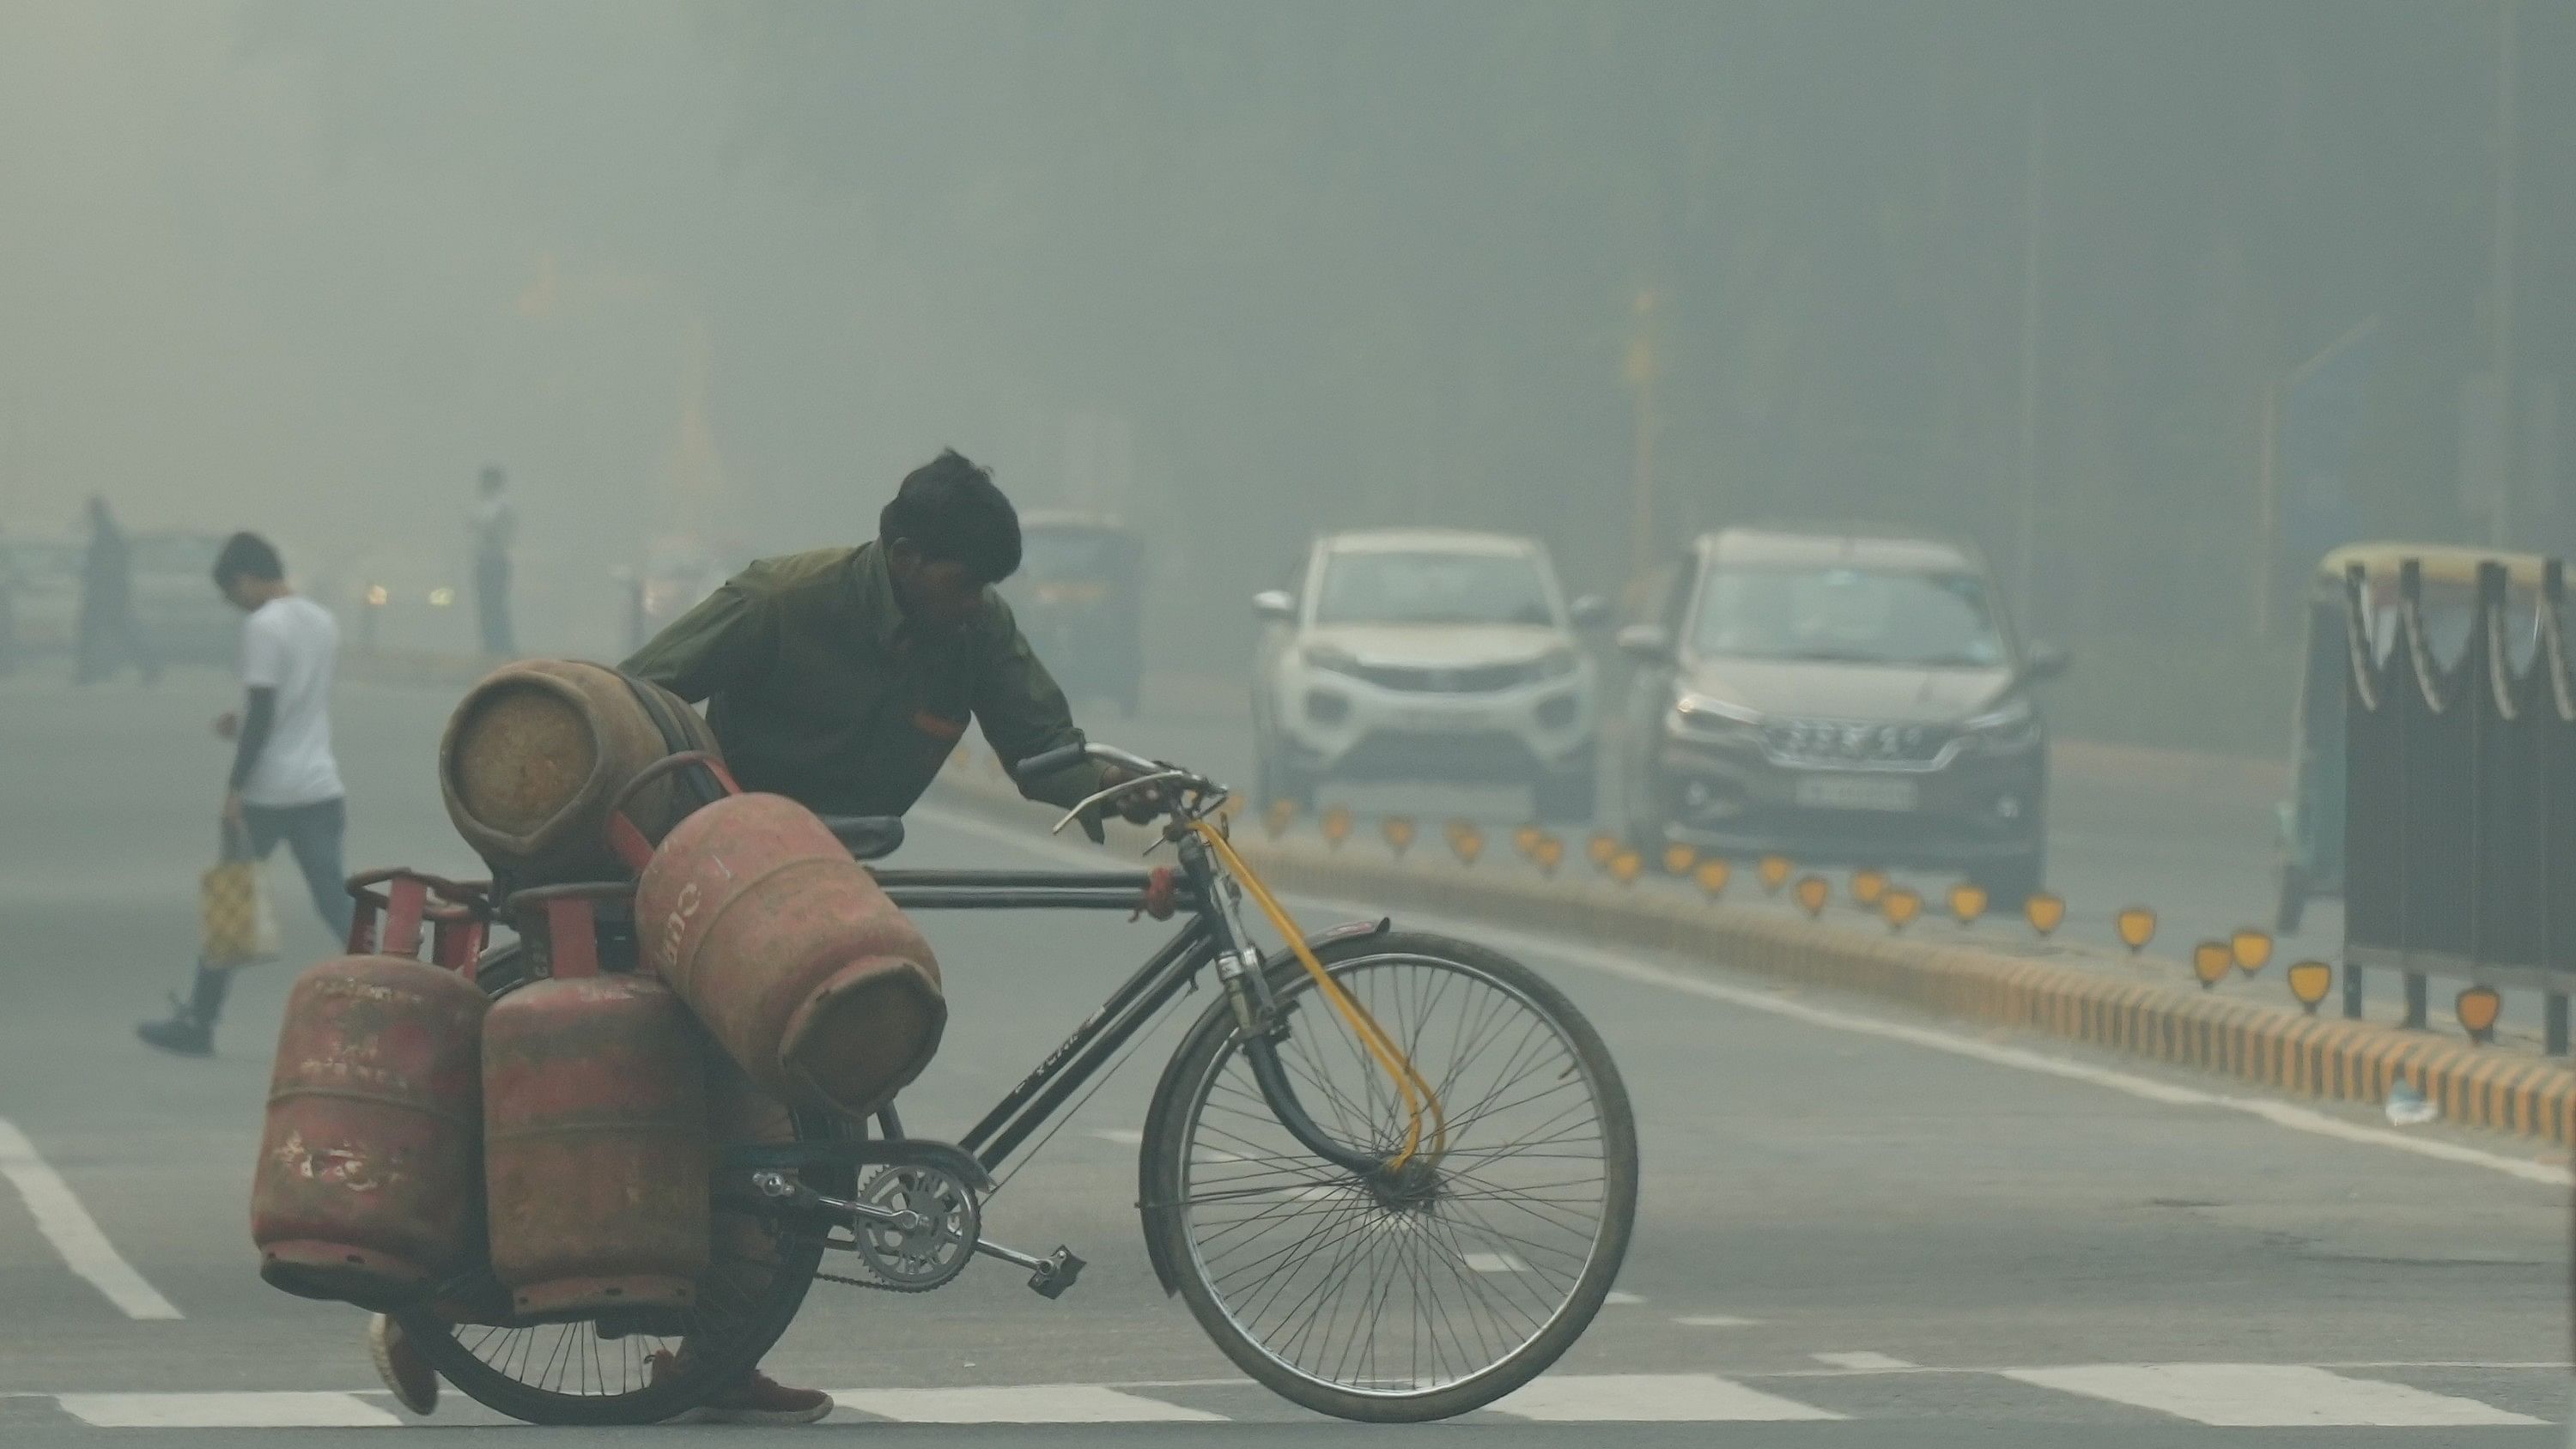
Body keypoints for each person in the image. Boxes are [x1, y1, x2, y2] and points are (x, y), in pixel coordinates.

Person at [367, 449, 1151, 1427]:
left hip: (828, 892)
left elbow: (1042, 752)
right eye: (961, 580)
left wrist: (1131, 796)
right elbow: (635, 702)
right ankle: (443, 1297)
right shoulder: (783, 599)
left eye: (985, 586)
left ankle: (711, 1360)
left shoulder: (974, 629)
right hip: (720, 884)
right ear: (903, 553)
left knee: (812, 1146)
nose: (974, 602)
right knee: (698, 1134)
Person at [137, 532, 352, 1058]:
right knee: (337, 903)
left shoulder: (263, 627)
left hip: (267, 794)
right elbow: (289, 708)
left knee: (232, 903)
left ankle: (200, 1023)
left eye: (232, 594)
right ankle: (406, 992)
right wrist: (247, 725)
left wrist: (234, 788)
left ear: (247, 579)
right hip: (321, 786)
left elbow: (261, 710)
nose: (233, 605)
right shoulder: (321, 621)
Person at [75, 496, 158, 684]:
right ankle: (149, 667)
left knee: (96, 632)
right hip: (108, 595)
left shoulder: (107, 536)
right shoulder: (109, 534)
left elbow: (109, 569)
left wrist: (93, 579)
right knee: (114, 633)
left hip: (105, 596)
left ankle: (149, 666)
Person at [470, 464, 515, 656]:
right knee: (484, 604)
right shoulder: (482, 504)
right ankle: (489, 646)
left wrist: (482, 527)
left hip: (496, 559)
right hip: (482, 558)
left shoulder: (503, 504)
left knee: (495, 604)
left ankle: (502, 647)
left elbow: (499, 530)